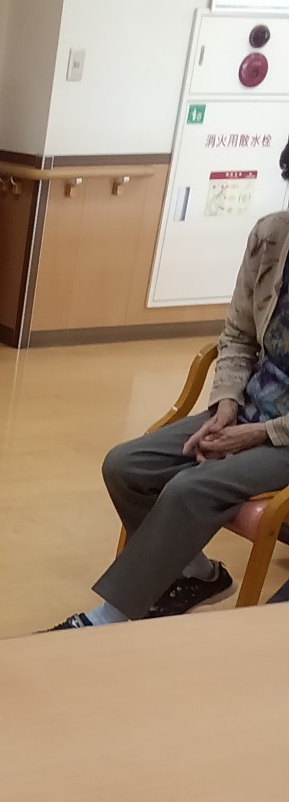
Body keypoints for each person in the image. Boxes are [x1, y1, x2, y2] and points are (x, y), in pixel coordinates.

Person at [53, 184, 289, 629]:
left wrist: (259, 433)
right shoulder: (271, 234)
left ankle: (109, 619)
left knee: (190, 488)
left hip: (283, 438)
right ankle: (199, 574)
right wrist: (226, 404)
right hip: (249, 407)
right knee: (126, 466)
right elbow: (238, 335)